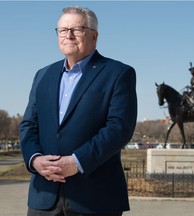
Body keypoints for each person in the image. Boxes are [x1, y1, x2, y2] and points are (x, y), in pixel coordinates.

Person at [19, 6, 137, 216]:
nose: (68, 35)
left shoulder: (118, 73)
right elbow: (29, 125)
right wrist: (35, 159)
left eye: (77, 29)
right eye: (63, 30)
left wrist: (77, 162)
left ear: (94, 35)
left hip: (95, 198)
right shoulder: (42, 75)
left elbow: (119, 128)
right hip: (44, 197)